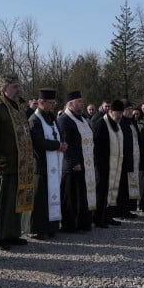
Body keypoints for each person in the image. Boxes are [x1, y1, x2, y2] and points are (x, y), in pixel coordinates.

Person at [0, 74, 35, 250]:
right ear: (4, 88)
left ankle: (12, 233)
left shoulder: (18, 106)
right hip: (2, 164)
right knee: (1, 202)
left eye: (19, 86)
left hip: (18, 163)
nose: (19, 89)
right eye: (14, 86)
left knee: (14, 200)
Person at [23, 88, 67, 239]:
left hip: (53, 162)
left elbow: (59, 133)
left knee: (51, 197)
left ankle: (51, 226)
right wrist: (57, 145)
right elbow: (38, 142)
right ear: (41, 102)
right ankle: (37, 229)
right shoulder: (34, 120)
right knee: (40, 199)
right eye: (50, 103)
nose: (53, 105)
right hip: (41, 166)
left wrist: (62, 142)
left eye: (54, 103)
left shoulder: (51, 117)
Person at [57, 91, 95, 232]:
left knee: (80, 196)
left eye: (82, 101)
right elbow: (65, 143)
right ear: (71, 104)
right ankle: (69, 225)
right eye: (79, 102)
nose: (82, 104)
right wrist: (74, 162)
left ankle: (82, 223)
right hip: (71, 166)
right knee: (71, 197)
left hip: (85, 162)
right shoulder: (64, 120)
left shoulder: (83, 119)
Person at [92, 99, 125, 228]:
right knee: (101, 193)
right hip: (102, 165)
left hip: (114, 165)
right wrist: (98, 165)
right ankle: (98, 218)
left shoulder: (117, 125)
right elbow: (96, 146)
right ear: (110, 112)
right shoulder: (101, 124)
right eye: (118, 113)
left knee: (111, 191)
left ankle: (108, 216)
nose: (120, 116)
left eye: (121, 113)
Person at [116, 100, 141, 219]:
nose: (131, 111)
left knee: (129, 186)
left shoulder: (132, 122)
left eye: (131, 108)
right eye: (128, 109)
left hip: (134, 159)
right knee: (123, 187)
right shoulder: (121, 124)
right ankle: (121, 211)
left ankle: (128, 209)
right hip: (124, 159)